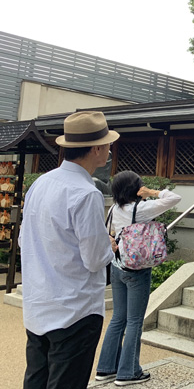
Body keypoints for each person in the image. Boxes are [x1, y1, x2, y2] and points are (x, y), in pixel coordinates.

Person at [20, 111, 120, 389]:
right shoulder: (86, 193)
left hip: (39, 303)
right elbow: (95, 258)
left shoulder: (40, 183)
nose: (109, 150)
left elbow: (24, 240)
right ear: (98, 149)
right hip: (75, 310)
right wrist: (109, 246)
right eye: (107, 145)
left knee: (36, 379)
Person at [95, 171, 181, 386]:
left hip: (118, 266)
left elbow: (108, 231)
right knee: (134, 321)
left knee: (117, 319)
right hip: (137, 270)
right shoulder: (141, 209)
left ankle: (106, 368)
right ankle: (128, 372)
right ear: (136, 188)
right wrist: (152, 192)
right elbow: (173, 199)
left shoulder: (115, 208)